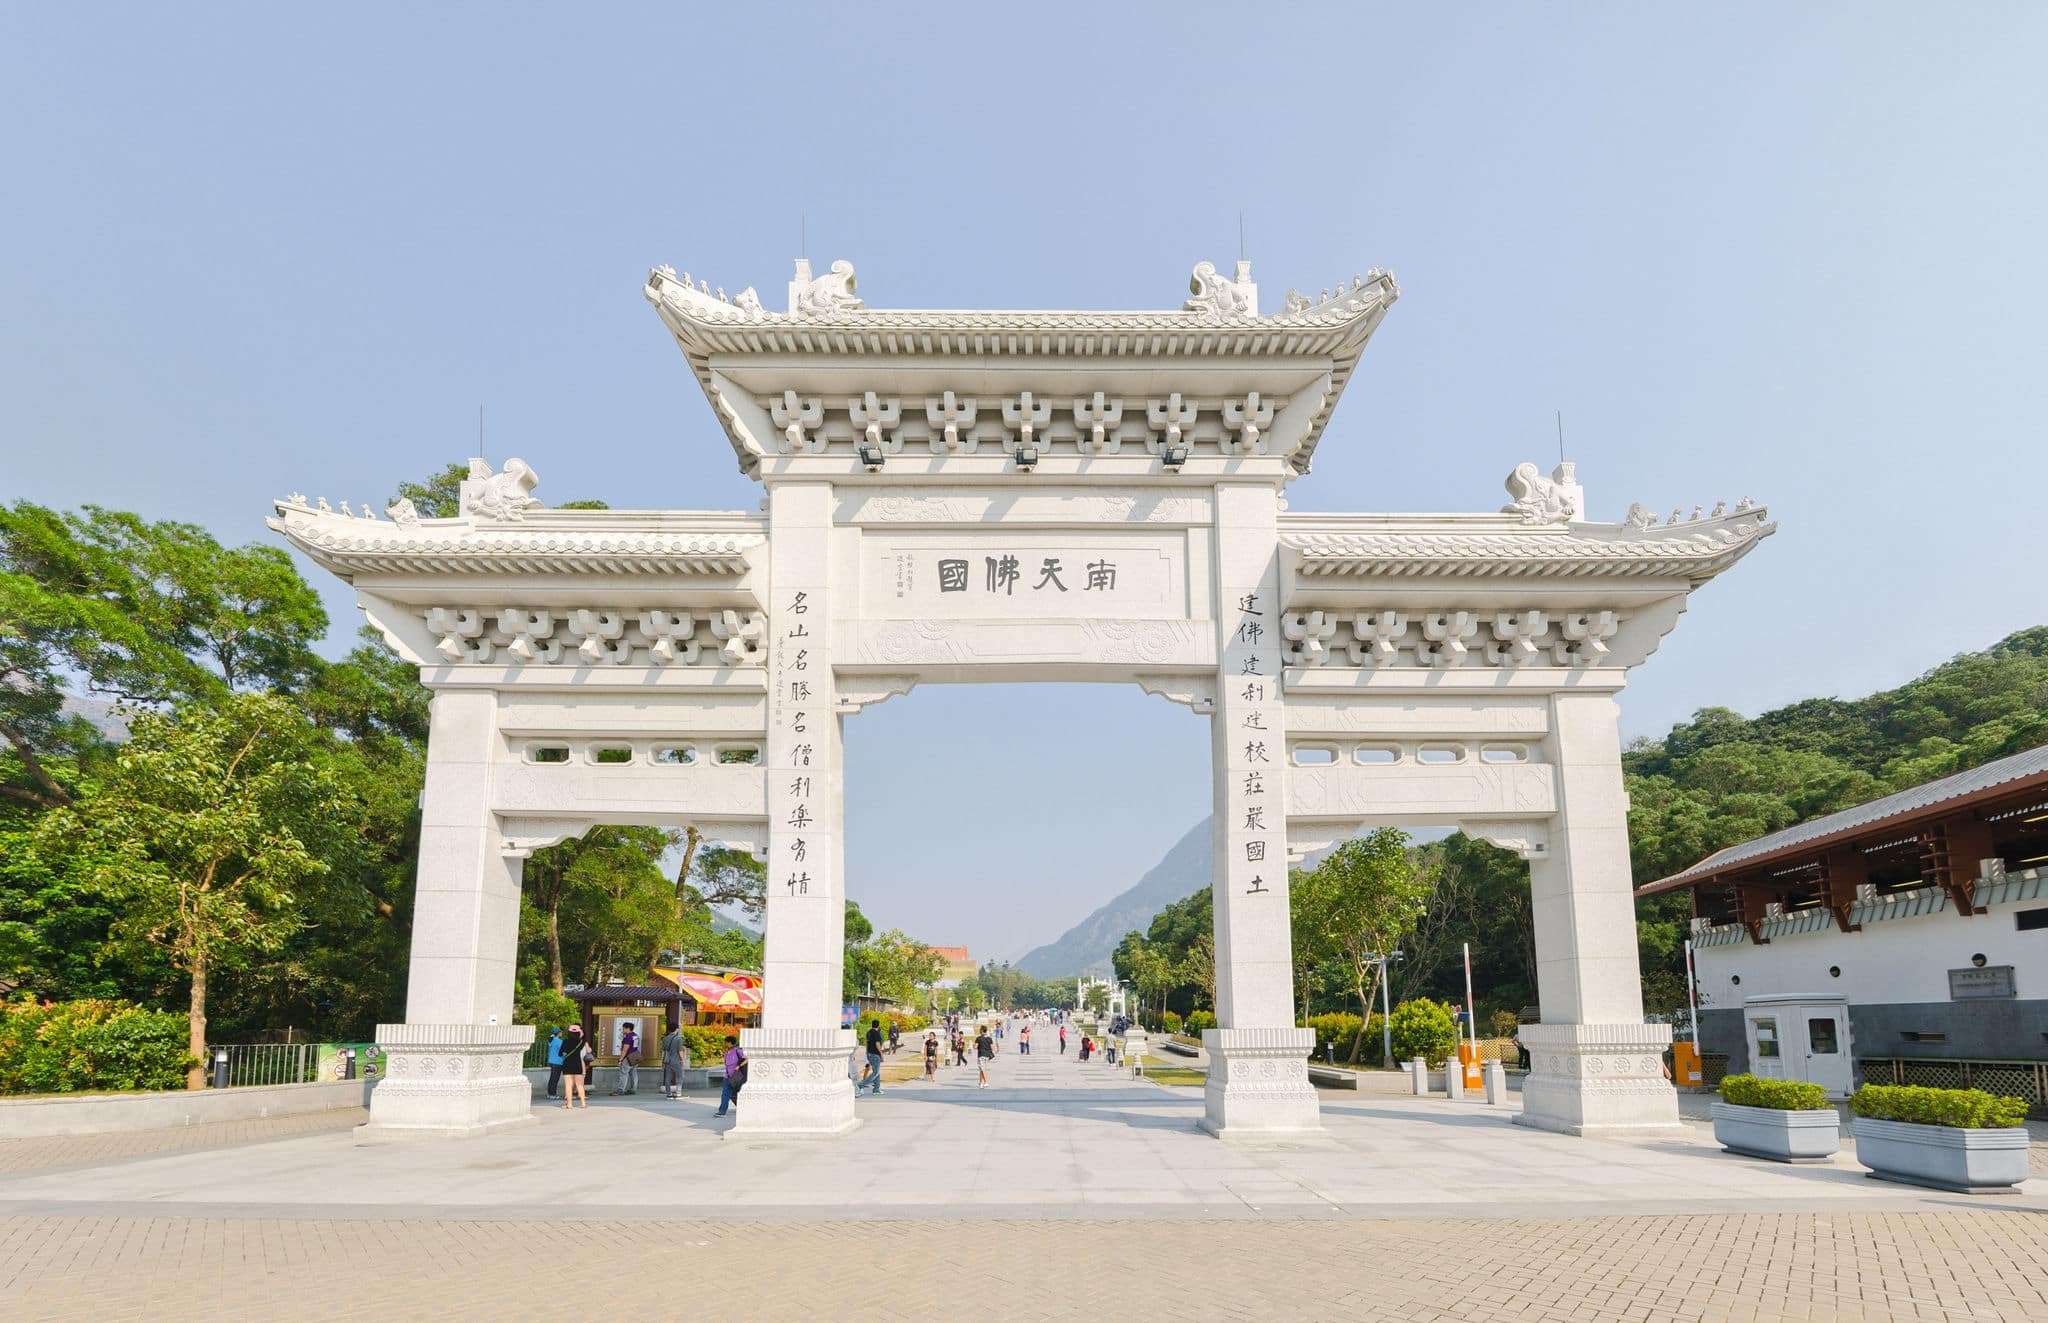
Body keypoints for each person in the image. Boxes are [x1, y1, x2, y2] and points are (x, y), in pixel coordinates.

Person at [558, 1025, 589, 1109]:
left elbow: (560, 1053)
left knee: (568, 1085)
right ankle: (583, 1103)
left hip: (567, 1064)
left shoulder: (565, 1041)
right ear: (578, 1032)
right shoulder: (581, 1042)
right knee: (579, 1085)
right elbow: (584, 1042)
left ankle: (569, 1104)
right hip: (577, 1064)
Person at [714, 1035, 745, 1117]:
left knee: (735, 1094)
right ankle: (722, 1111)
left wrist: (739, 1066)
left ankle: (744, 1108)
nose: (725, 1044)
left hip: (736, 1076)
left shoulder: (738, 1051)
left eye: (726, 1042)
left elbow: (747, 1058)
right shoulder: (726, 1052)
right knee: (725, 1094)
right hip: (727, 1076)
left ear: (730, 1043)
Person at [612, 1021, 640, 1096]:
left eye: (623, 1028)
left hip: (628, 1057)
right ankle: (633, 1089)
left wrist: (620, 1059)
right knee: (633, 1073)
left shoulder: (628, 1037)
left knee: (624, 1073)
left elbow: (625, 1050)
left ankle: (620, 1090)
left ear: (628, 1028)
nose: (623, 1030)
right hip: (636, 1055)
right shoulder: (636, 1036)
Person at [661, 1021, 686, 1099]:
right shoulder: (678, 1039)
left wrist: (662, 1062)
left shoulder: (665, 1039)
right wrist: (683, 1060)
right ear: (677, 1029)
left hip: (667, 1061)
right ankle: (678, 1093)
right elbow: (680, 1051)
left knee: (668, 1078)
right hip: (676, 1061)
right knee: (679, 1077)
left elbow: (663, 1051)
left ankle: (669, 1094)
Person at [860, 1018, 885, 1096]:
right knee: (876, 1072)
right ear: (878, 1025)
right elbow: (877, 1044)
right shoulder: (876, 1033)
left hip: (869, 1053)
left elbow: (867, 1044)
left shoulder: (869, 1033)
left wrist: (867, 1053)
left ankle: (876, 1089)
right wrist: (881, 1054)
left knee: (876, 1071)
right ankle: (860, 1085)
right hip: (875, 1054)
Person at [544, 1027, 564, 1100]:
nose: (561, 1033)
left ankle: (550, 1094)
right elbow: (563, 1052)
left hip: (552, 1061)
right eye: (561, 1032)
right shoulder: (559, 1041)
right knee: (555, 1079)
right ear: (558, 1033)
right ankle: (553, 1094)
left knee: (552, 1078)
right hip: (558, 1062)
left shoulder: (551, 1040)